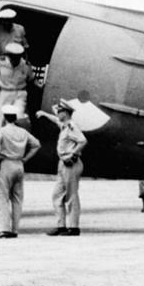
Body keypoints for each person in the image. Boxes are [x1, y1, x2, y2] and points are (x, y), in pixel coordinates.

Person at [0, 102, 40, 238]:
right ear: (16, 118)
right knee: (17, 199)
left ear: (5, 117)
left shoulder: (3, 131)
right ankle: (15, 230)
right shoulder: (23, 132)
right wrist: (26, 158)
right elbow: (36, 145)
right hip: (19, 164)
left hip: (7, 164)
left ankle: (4, 229)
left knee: (3, 198)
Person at [47, 101, 87, 236]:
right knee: (57, 196)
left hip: (71, 164)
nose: (57, 114)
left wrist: (73, 154)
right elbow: (55, 117)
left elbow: (82, 140)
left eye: (60, 112)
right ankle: (61, 226)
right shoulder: (63, 125)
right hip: (63, 164)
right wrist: (43, 114)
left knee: (71, 196)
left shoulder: (71, 127)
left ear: (66, 113)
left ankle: (74, 227)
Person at [0, 42, 33, 127]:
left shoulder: (26, 66)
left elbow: (32, 78)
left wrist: (40, 85)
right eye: (12, 58)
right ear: (8, 56)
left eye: (17, 58)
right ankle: (2, 138)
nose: (14, 60)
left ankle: (17, 138)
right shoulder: (1, 61)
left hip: (20, 93)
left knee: (19, 117)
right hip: (5, 93)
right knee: (2, 119)